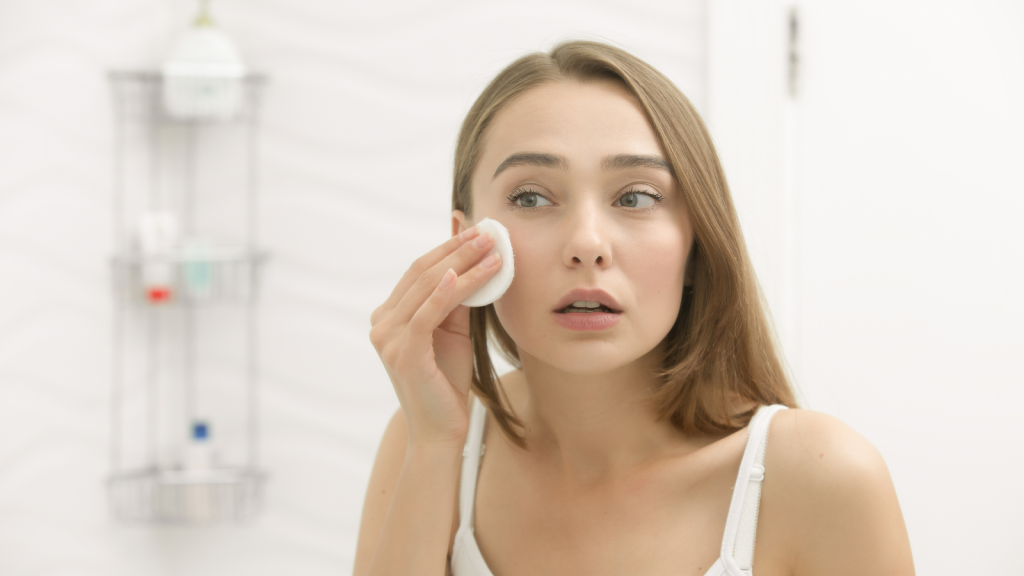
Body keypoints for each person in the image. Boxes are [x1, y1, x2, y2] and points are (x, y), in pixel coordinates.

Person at [354, 40, 915, 576]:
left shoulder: (821, 478)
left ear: (696, 245)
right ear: (468, 242)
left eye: (637, 197)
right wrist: (432, 449)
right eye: (531, 197)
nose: (588, 243)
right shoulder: (424, 439)